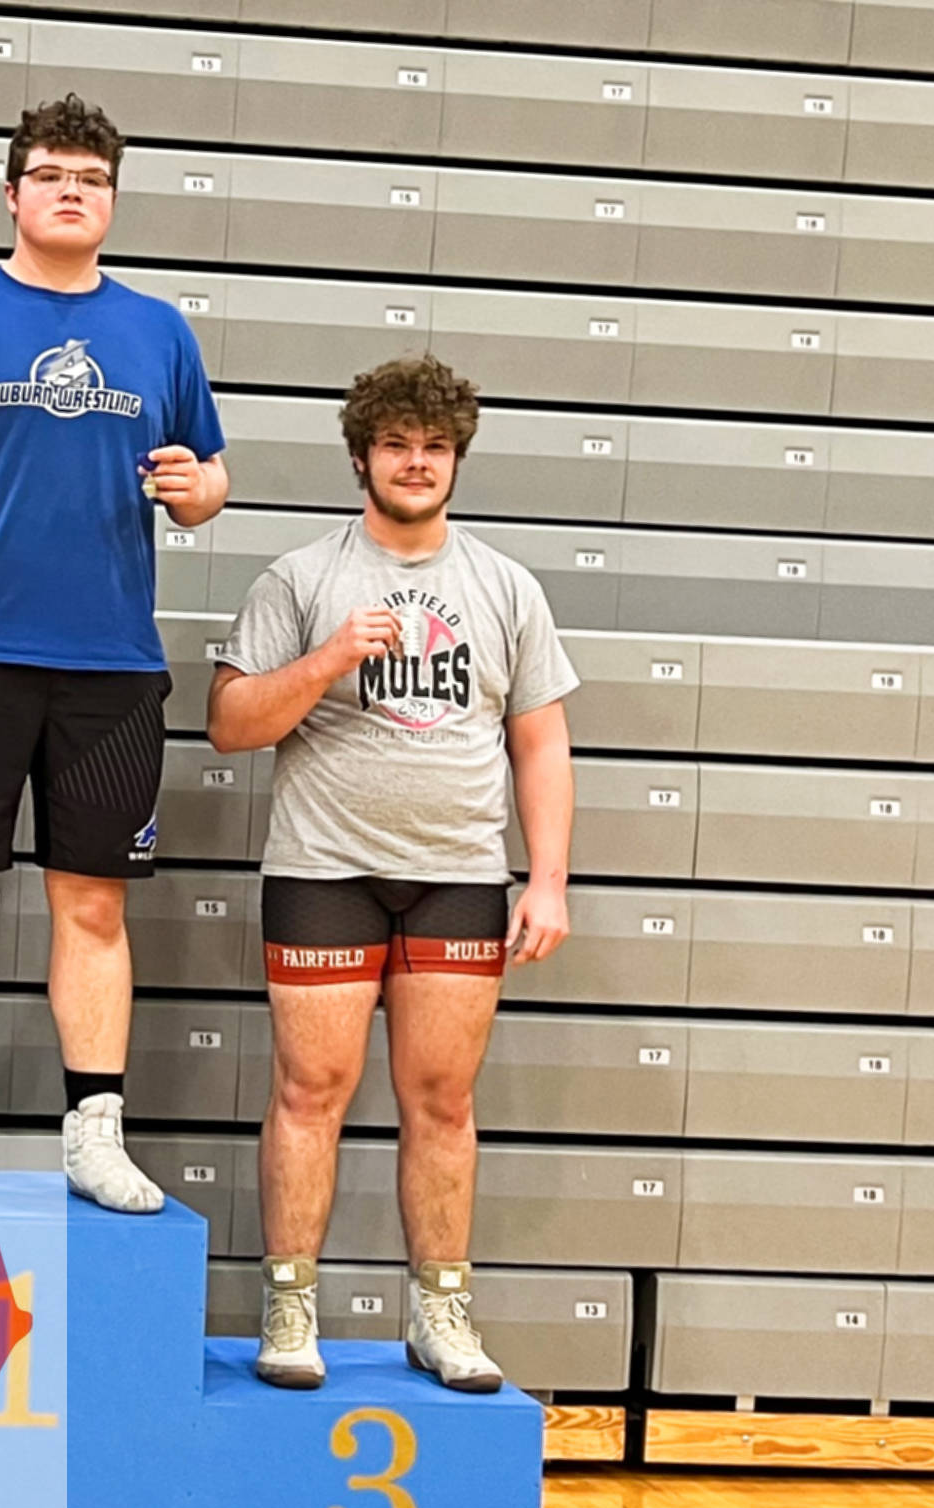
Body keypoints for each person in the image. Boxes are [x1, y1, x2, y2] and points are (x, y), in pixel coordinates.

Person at [0, 94, 230, 1212]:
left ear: (112, 200)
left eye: (93, 179)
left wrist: (197, 491)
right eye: (54, 175)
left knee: (96, 906)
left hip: (110, 666)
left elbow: (208, 480)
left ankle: (95, 1133)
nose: (74, 192)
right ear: (12, 193)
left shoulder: (159, 331)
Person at [207, 355, 577, 1393]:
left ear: (455, 459)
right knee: (307, 1091)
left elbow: (541, 742)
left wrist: (546, 878)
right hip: (324, 868)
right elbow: (229, 724)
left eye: (434, 446)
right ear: (360, 456)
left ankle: (441, 1309)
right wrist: (326, 660)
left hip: (457, 873)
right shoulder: (298, 579)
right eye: (396, 444)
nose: (415, 462)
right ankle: (290, 1302)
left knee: (443, 1100)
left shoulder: (505, 587)